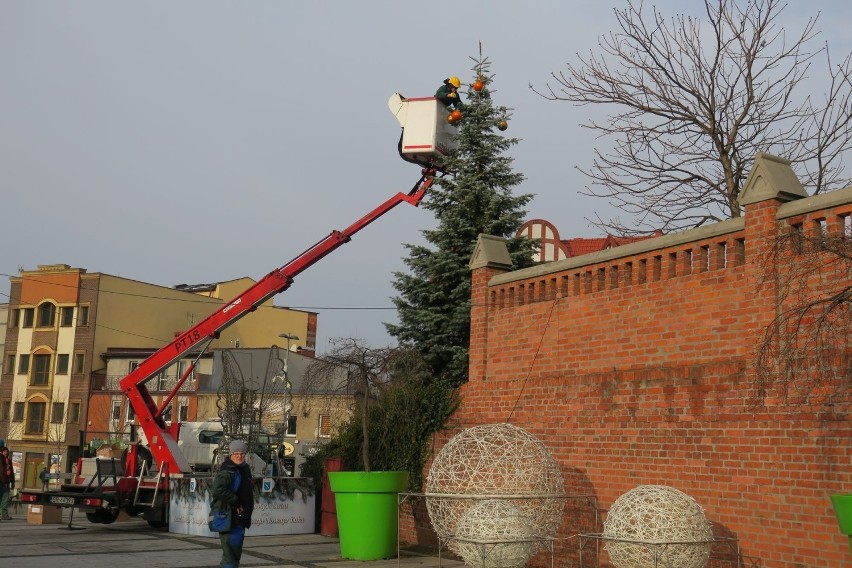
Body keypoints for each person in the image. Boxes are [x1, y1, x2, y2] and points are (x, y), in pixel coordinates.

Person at [212, 440, 254, 568]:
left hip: (240, 518)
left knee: (235, 553)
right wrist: (235, 501)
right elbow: (217, 490)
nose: (239, 456)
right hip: (229, 517)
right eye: (236, 453)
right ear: (231, 454)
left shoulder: (244, 469)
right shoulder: (227, 471)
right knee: (230, 554)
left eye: (242, 453)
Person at [0, 441, 14, 521]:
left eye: (7, 451)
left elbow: (11, 473)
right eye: (4, 451)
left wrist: (13, 482)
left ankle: (4, 514)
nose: (5, 453)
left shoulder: (8, 461)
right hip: (3, 483)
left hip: (6, 482)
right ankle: (4, 515)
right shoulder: (2, 459)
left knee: (5, 499)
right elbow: (2, 471)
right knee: (4, 498)